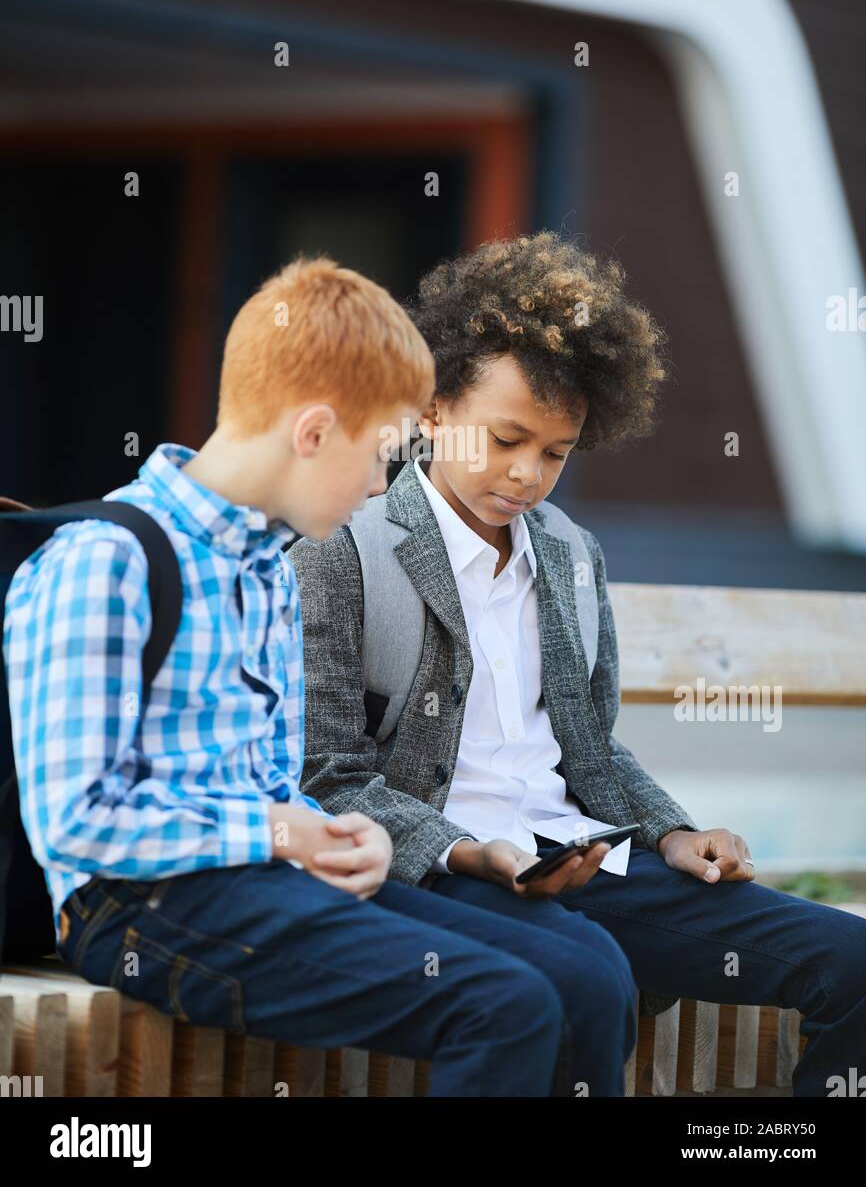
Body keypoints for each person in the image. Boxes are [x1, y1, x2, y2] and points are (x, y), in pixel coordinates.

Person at [4, 255, 636, 1097]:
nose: (383, 485)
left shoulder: (267, 563)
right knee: (506, 1004)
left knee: (588, 973)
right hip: (140, 907)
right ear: (312, 432)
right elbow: (77, 824)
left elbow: (279, 785)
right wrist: (278, 834)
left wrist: (339, 833)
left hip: (267, 880)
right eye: (378, 456)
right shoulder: (104, 562)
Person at [289, 232, 866, 1098]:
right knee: (584, 983)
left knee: (852, 960)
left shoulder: (569, 555)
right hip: (443, 875)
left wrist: (673, 832)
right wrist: (469, 853)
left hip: (588, 866)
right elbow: (325, 776)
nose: (526, 475)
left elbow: (592, 750)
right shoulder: (344, 549)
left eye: (555, 453)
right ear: (435, 409)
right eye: (507, 438)